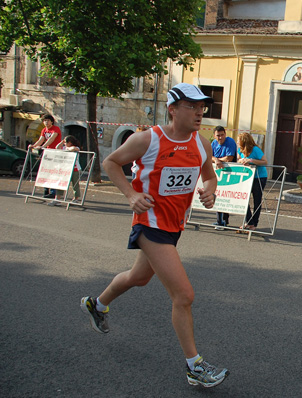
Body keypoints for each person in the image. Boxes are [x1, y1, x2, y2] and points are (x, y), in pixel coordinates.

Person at [80, 83, 229, 388]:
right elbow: (111, 163)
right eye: (192, 106)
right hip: (149, 224)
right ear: (173, 109)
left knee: (139, 277)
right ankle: (195, 367)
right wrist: (131, 195)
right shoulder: (148, 139)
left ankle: (97, 304)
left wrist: (210, 193)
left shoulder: (202, 144)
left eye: (202, 107)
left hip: (174, 226)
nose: (200, 112)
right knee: (184, 295)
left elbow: (210, 177)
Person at [236, 132, 268, 232]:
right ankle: (249, 222)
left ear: (244, 141)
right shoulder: (240, 150)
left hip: (259, 177)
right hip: (247, 176)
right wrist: (241, 161)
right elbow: (238, 159)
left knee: (257, 200)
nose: (237, 142)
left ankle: (254, 223)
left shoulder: (255, 149)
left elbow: (265, 162)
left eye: (238, 141)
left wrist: (251, 161)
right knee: (243, 198)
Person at [29, 114, 62, 198]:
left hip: (55, 152)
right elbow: (41, 139)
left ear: (52, 121)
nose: (46, 122)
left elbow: (52, 139)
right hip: (47, 153)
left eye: (48, 120)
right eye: (44, 121)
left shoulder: (56, 129)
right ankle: (46, 190)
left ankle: (53, 192)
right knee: (46, 171)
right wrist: (33, 146)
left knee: (53, 172)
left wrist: (43, 146)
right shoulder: (44, 130)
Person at [211, 126, 236, 229]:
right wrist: (216, 160)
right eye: (218, 135)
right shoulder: (213, 143)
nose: (220, 137)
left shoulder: (230, 142)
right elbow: (209, 155)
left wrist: (217, 160)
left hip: (229, 173)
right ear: (214, 136)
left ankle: (224, 221)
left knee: (225, 197)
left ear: (225, 134)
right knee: (217, 195)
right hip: (217, 173)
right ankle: (219, 221)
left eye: (222, 135)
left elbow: (229, 158)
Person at [48, 135, 82, 205]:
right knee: (61, 183)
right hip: (65, 168)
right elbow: (57, 147)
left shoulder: (76, 148)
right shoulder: (64, 147)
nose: (64, 144)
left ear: (70, 142)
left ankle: (76, 199)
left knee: (75, 184)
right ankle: (57, 198)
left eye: (65, 142)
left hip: (75, 169)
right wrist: (62, 142)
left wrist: (67, 148)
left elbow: (73, 149)